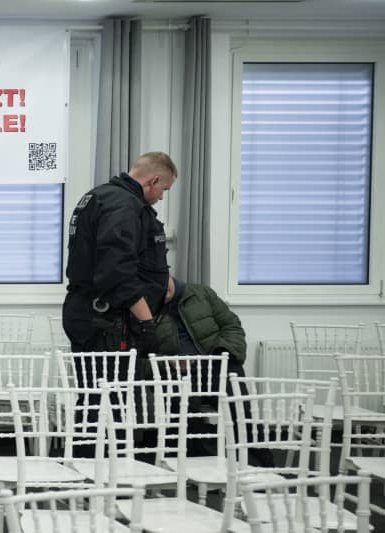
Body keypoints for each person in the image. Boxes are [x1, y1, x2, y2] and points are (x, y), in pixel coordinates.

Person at [63, 151, 178, 379]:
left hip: (92, 313)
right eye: (164, 190)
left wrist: (164, 278)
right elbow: (116, 273)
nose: (162, 197)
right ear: (152, 181)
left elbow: (126, 254)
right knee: (108, 402)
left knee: (97, 400)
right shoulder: (123, 207)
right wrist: (146, 324)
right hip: (106, 321)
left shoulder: (102, 196)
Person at [157, 275, 274, 466]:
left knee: (240, 410)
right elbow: (140, 357)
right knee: (184, 417)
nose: (161, 292)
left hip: (218, 364)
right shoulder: (143, 308)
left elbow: (232, 326)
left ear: (168, 274)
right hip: (180, 374)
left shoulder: (202, 294)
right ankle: (210, 465)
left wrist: (223, 352)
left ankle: (263, 464)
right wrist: (168, 364)